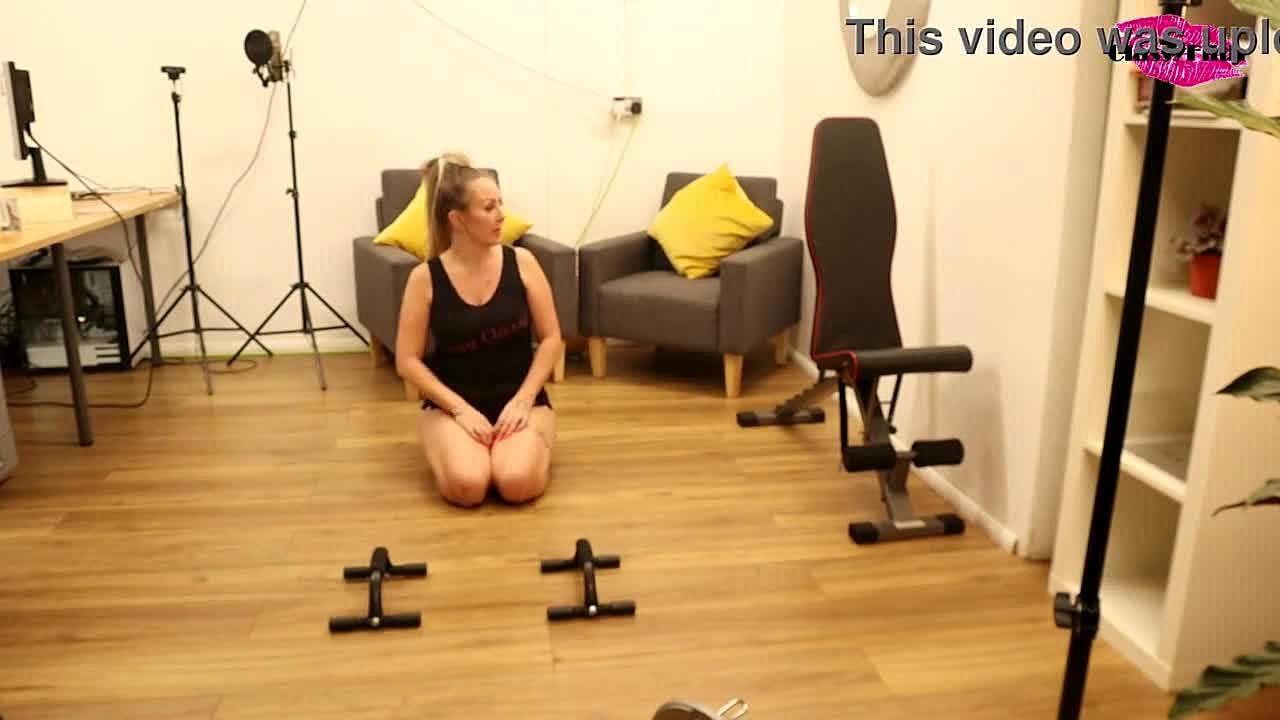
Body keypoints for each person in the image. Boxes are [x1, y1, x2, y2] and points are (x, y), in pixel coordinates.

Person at [395, 152, 562, 507]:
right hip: (452, 405)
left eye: (500, 203)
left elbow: (551, 339)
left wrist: (524, 400)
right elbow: (407, 360)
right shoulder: (424, 278)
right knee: (468, 486)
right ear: (457, 219)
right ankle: (449, 443)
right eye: (488, 207)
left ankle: (525, 444)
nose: (501, 214)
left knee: (516, 483)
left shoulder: (524, 262)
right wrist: (459, 410)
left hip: (519, 399)